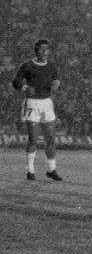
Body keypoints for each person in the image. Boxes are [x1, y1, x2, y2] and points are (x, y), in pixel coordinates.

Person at [12, 38, 62, 181]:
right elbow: (15, 82)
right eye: (42, 49)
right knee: (33, 138)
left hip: (46, 103)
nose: (45, 52)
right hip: (32, 104)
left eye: (47, 49)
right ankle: (30, 170)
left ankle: (51, 169)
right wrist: (25, 87)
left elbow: (56, 79)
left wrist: (56, 84)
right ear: (36, 51)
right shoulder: (27, 65)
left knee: (51, 138)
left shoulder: (52, 66)